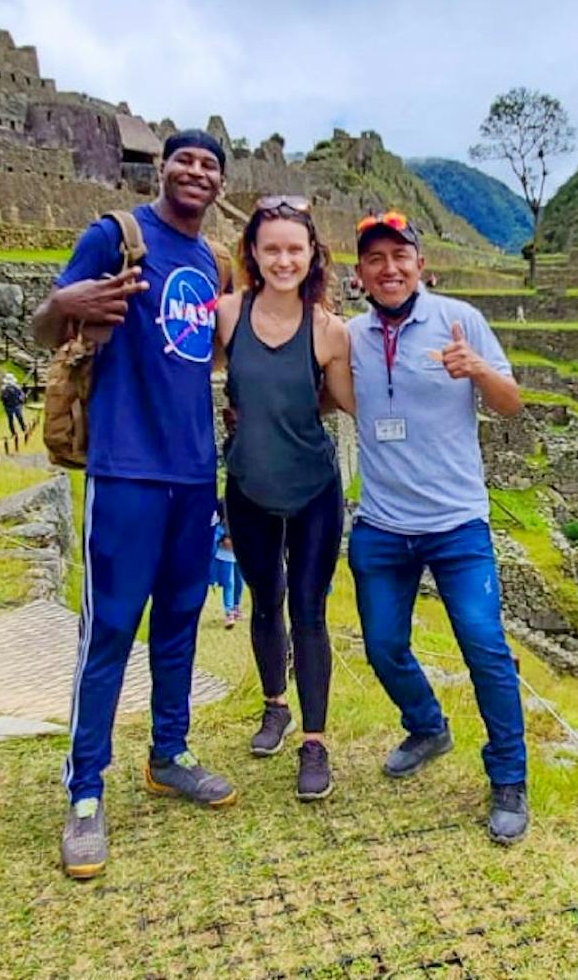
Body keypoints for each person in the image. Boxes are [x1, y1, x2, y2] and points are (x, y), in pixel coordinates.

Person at [30, 129, 234, 880]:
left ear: (219, 186)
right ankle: (85, 790)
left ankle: (170, 752)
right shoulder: (114, 236)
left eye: (210, 166)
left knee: (181, 620)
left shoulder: (211, 263)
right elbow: (45, 326)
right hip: (124, 467)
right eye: (185, 159)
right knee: (110, 628)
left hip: (191, 472)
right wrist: (64, 301)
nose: (196, 172)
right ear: (162, 168)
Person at [345, 210, 530, 844]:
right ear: (361, 273)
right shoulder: (350, 337)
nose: (389, 269)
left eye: (400, 256)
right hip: (382, 524)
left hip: (456, 525)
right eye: (376, 259)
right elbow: (322, 391)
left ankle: (509, 779)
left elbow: (511, 405)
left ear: (420, 264)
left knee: (485, 648)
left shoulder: (462, 321)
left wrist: (477, 370)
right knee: (383, 646)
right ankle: (427, 725)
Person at [216, 195, 355, 801]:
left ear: (311, 256)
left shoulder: (329, 330)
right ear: (253, 252)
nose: (283, 259)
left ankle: (315, 742)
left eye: (294, 249)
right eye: (271, 248)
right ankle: (276, 705)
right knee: (265, 600)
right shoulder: (226, 315)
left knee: (308, 608)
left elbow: (348, 402)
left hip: (312, 490)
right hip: (247, 485)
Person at [211, 506, 243, 628]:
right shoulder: (221, 504)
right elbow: (214, 523)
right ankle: (229, 612)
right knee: (229, 582)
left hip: (240, 549)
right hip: (226, 550)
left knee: (239, 580)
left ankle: (236, 607)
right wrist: (223, 538)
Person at [0, 373, 29, 439]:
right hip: (16, 405)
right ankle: (23, 428)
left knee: (11, 419)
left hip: (9, 406)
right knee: (19, 418)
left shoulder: (4, 388)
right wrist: (21, 400)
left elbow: (1, 398)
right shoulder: (16, 387)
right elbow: (22, 395)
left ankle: (14, 432)